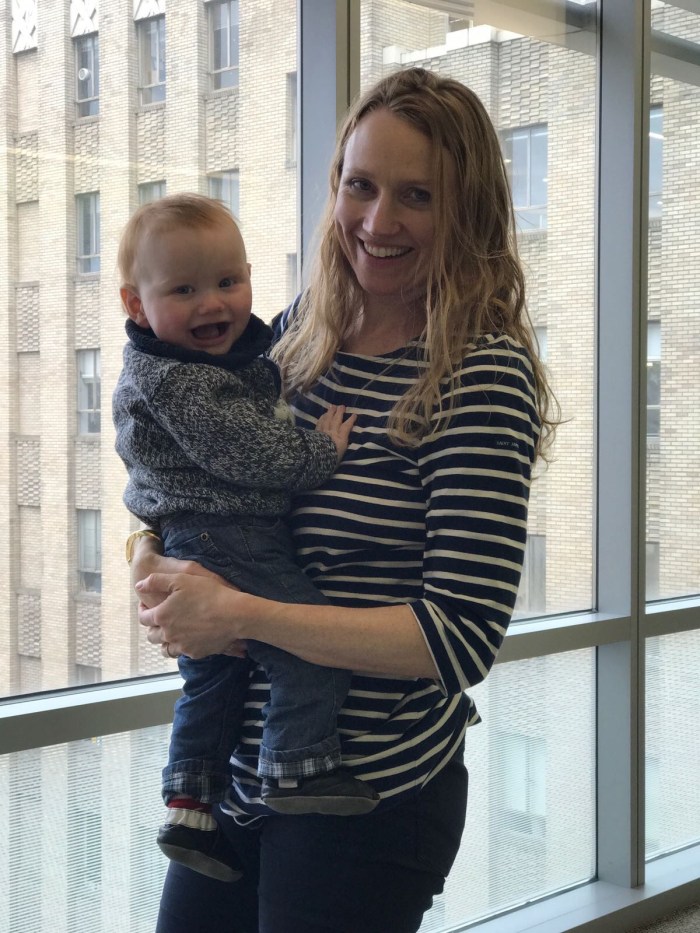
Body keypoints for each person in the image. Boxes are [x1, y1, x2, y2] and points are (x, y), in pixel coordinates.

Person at [131, 67, 556, 933]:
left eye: (416, 195)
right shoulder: (299, 333)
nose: (377, 220)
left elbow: (459, 635)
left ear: (466, 211)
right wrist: (152, 558)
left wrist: (236, 613)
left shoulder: (480, 374)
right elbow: (192, 467)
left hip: (369, 796)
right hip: (237, 777)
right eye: (360, 185)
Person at [113, 193, 381, 883]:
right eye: (184, 290)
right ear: (136, 305)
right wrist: (321, 450)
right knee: (312, 651)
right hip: (229, 535)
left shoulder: (212, 358)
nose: (212, 303)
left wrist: (152, 547)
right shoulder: (184, 380)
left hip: (199, 533)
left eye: (228, 281)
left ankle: (188, 806)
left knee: (215, 675)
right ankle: (295, 766)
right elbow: (254, 455)